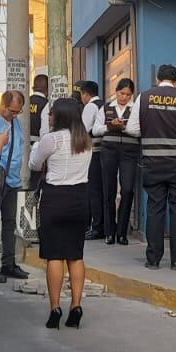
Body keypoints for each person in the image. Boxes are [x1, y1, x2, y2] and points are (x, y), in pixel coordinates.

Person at [126, 65, 176, 269]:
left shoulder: (144, 97)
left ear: (157, 79)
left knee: (154, 208)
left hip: (152, 163)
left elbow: (132, 129)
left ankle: (153, 258)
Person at [31, 98, 95, 329]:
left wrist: (37, 147)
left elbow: (35, 165)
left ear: (60, 116)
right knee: (75, 256)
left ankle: (55, 307)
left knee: (54, 255)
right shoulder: (85, 139)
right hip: (79, 198)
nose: (49, 117)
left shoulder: (52, 139)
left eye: (51, 114)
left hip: (55, 198)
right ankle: (76, 305)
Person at [0, 91, 30, 283]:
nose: (14, 114)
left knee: (10, 223)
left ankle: (9, 263)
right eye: (12, 110)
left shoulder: (16, 123)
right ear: (3, 104)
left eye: (18, 111)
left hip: (13, 180)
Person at [99, 79, 140, 245]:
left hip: (129, 152)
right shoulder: (106, 107)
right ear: (116, 92)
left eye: (128, 94)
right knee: (108, 189)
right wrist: (110, 126)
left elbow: (139, 131)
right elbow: (95, 129)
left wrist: (124, 127)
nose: (124, 97)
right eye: (121, 93)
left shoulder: (135, 109)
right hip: (109, 150)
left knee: (128, 189)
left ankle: (122, 232)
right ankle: (109, 231)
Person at [76, 81, 109, 240]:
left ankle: (96, 227)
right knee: (101, 190)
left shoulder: (90, 106)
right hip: (103, 152)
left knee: (93, 191)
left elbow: (84, 129)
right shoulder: (103, 104)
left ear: (85, 93)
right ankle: (101, 225)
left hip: (93, 152)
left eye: (81, 94)